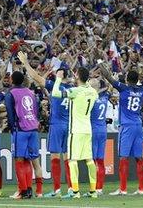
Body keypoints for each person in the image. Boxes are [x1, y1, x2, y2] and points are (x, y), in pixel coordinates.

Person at [18, 52, 64, 197]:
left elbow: (36, 78)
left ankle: (56, 190)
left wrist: (25, 63)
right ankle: (72, 190)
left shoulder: (55, 87)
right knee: (69, 159)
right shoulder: (73, 88)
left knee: (54, 157)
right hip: (70, 125)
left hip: (54, 125)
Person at [100, 65, 143, 196]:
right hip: (138, 126)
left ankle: (123, 189)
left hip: (126, 126)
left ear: (127, 79)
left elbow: (108, 76)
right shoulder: (142, 90)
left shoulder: (123, 88)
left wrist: (100, 61)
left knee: (123, 157)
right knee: (139, 158)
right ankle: (141, 188)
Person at [52, 68, 99, 199]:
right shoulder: (93, 92)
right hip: (88, 130)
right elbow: (87, 86)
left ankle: (75, 191)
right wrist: (81, 79)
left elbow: (55, 93)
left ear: (77, 76)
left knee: (72, 161)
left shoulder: (75, 91)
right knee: (89, 160)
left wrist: (59, 78)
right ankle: (93, 191)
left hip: (76, 130)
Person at [4, 71, 40, 199]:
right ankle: (29, 190)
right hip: (33, 128)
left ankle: (23, 191)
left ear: (12, 80)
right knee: (27, 159)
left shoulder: (10, 94)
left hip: (21, 129)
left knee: (19, 160)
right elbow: (37, 109)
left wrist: (13, 128)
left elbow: (10, 113)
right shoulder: (31, 92)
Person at [90, 79, 110, 194]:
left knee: (92, 161)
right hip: (103, 130)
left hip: (93, 130)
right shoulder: (105, 97)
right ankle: (99, 188)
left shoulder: (91, 98)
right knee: (101, 160)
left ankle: (93, 188)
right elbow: (107, 89)